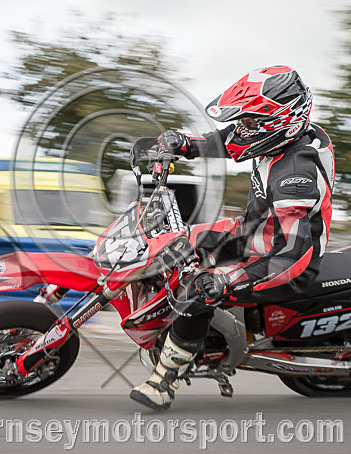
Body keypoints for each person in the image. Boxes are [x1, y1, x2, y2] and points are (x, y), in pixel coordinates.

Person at [130, 66, 335, 410]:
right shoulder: (288, 133)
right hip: (254, 230)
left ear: (279, 121)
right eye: (244, 120)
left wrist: (226, 281)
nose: (242, 129)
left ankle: (165, 380)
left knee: (198, 290)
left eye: (251, 122)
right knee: (175, 242)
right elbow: (230, 140)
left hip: (282, 257)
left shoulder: (295, 174)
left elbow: (291, 257)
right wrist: (183, 145)